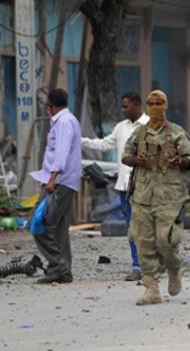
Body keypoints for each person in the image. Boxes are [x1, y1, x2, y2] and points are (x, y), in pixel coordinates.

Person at [122, 90, 190, 305]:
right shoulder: (139, 133)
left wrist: (179, 161)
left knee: (166, 239)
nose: (154, 107)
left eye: (158, 103)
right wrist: (137, 160)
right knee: (143, 241)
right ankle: (151, 288)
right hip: (143, 195)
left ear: (165, 106)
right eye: (151, 103)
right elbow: (125, 156)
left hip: (169, 196)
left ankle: (173, 268)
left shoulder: (176, 132)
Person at [81, 92, 149, 281]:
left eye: (126, 106)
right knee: (131, 227)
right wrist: (81, 141)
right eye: (123, 106)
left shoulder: (150, 125)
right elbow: (104, 144)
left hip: (145, 187)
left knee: (147, 226)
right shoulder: (121, 128)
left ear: (137, 104)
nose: (123, 110)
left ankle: (152, 264)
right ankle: (137, 266)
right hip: (124, 187)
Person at [30, 88, 82, 283]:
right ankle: (64, 271)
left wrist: (51, 180)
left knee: (39, 225)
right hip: (64, 181)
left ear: (51, 105)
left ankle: (57, 267)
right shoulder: (67, 120)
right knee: (59, 228)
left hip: (60, 181)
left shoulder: (64, 123)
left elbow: (61, 153)